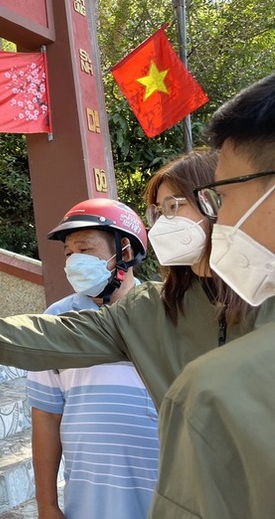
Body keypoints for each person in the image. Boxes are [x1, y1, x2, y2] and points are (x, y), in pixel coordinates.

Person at [0, 149, 268, 410]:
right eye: (157, 213)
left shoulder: (265, 296)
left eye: (173, 207)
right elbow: (52, 336)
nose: (163, 225)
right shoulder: (149, 312)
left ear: (218, 202)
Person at [150, 72, 275, 518]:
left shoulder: (210, 393)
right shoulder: (152, 305)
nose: (162, 224)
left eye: (223, 196)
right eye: (157, 211)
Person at [26, 199, 159, 519]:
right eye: (69, 253)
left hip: (165, 496)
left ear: (125, 252)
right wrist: (47, 504)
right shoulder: (57, 320)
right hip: (89, 503)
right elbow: (46, 416)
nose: (73, 262)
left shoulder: (164, 313)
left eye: (84, 250)